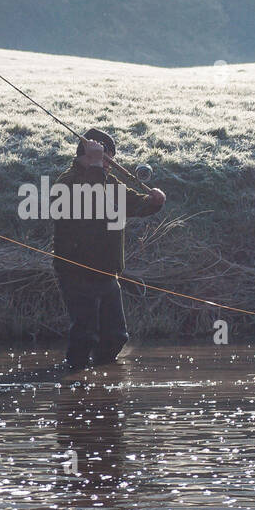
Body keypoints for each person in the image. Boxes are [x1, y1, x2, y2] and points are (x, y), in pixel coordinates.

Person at [52, 129, 166, 371]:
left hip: (107, 274)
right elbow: (90, 199)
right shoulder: (67, 181)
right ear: (88, 156)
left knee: (116, 336)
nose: (110, 166)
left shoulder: (107, 180)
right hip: (76, 273)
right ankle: (73, 381)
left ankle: (103, 384)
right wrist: (95, 165)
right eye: (107, 159)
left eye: (109, 159)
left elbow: (136, 204)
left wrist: (154, 202)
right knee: (85, 337)